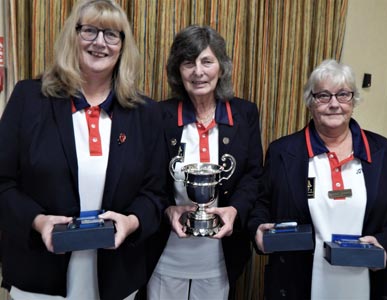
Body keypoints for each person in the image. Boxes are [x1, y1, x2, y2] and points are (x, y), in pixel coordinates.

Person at [0, 1, 168, 299]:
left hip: (116, 278)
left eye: (112, 34)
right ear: (72, 36)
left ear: (123, 46)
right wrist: (38, 222)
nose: (100, 42)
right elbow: (3, 183)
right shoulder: (28, 99)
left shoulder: (146, 113)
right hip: (38, 277)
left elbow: (155, 193)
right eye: (89, 30)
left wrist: (131, 222)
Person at [248, 59, 387, 300]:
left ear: (353, 101)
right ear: (310, 102)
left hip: (370, 284)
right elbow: (261, 204)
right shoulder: (282, 152)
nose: (334, 104)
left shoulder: (385, 152)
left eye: (343, 95)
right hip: (297, 283)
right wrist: (258, 229)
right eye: (323, 96)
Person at [145, 25, 263, 299]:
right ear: (178, 71)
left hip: (220, 256)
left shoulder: (244, 114)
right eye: (188, 63)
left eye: (207, 61)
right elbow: (147, 180)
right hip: (166, 254)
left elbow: (254, 175)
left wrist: (235, 210)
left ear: (221, 67)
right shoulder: (158, 115)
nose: (198, 72)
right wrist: (167, 210)